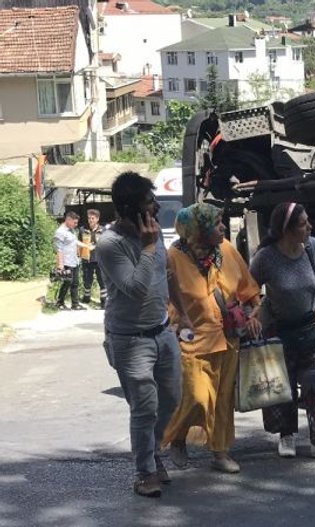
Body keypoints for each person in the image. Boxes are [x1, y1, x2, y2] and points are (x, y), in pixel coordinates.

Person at [96, 171, 188, 498]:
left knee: (173, 399)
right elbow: (134, 287)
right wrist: (148, 247)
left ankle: (153, 452)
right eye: (149, 203)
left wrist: (183, 314)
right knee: (144, 407)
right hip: (130, 339)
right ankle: (144, 471)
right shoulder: (109, 243)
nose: (155, 207)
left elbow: (167, 274)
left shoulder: (152, 234)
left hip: (163, 331)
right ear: (128, 209)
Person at [161, 203, 262, 474]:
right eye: (216, 223)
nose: (222, 228)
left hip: (228, 336)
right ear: (198, 229)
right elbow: (163, 296)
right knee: (196, 397)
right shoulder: (173, 256)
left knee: (222, 400)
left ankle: (220, 452)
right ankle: (177, 436)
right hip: (192, 339)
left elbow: (249, 288)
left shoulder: (226, 250)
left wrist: (253, 315)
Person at [249, 202, 315, 461]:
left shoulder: (314, 248)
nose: (309, 227)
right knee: (283, 387)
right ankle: (286, 435)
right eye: (303, 224)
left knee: (314, 384)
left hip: (310, 329)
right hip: (279, 331)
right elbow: (248, 287)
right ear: (285, 230)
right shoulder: (266, 257)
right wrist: (252, 314)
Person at [53, 210, 91, 310]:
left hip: (74, 261)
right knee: (67, 282)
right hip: (66, 262)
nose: (76, 224)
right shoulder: (60, 232)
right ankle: (59, 302)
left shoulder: (71, 230)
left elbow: (75, 241)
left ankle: (75, 304)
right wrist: (60, 264)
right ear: (68, 220)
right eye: (75, 222)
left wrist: (86, 246)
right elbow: (59, 249)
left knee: (75, 283)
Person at [79, 209, 107, 308]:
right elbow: (79, 243)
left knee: (102, 280)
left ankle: (103, 300)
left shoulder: (103, 230)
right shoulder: (83, 229)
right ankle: (87, 297)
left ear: (97, 219)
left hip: (100, 259)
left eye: (92, 218)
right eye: (89, 218)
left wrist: (95, 246)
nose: (90, 220)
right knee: (87, 279)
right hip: (87, 258)